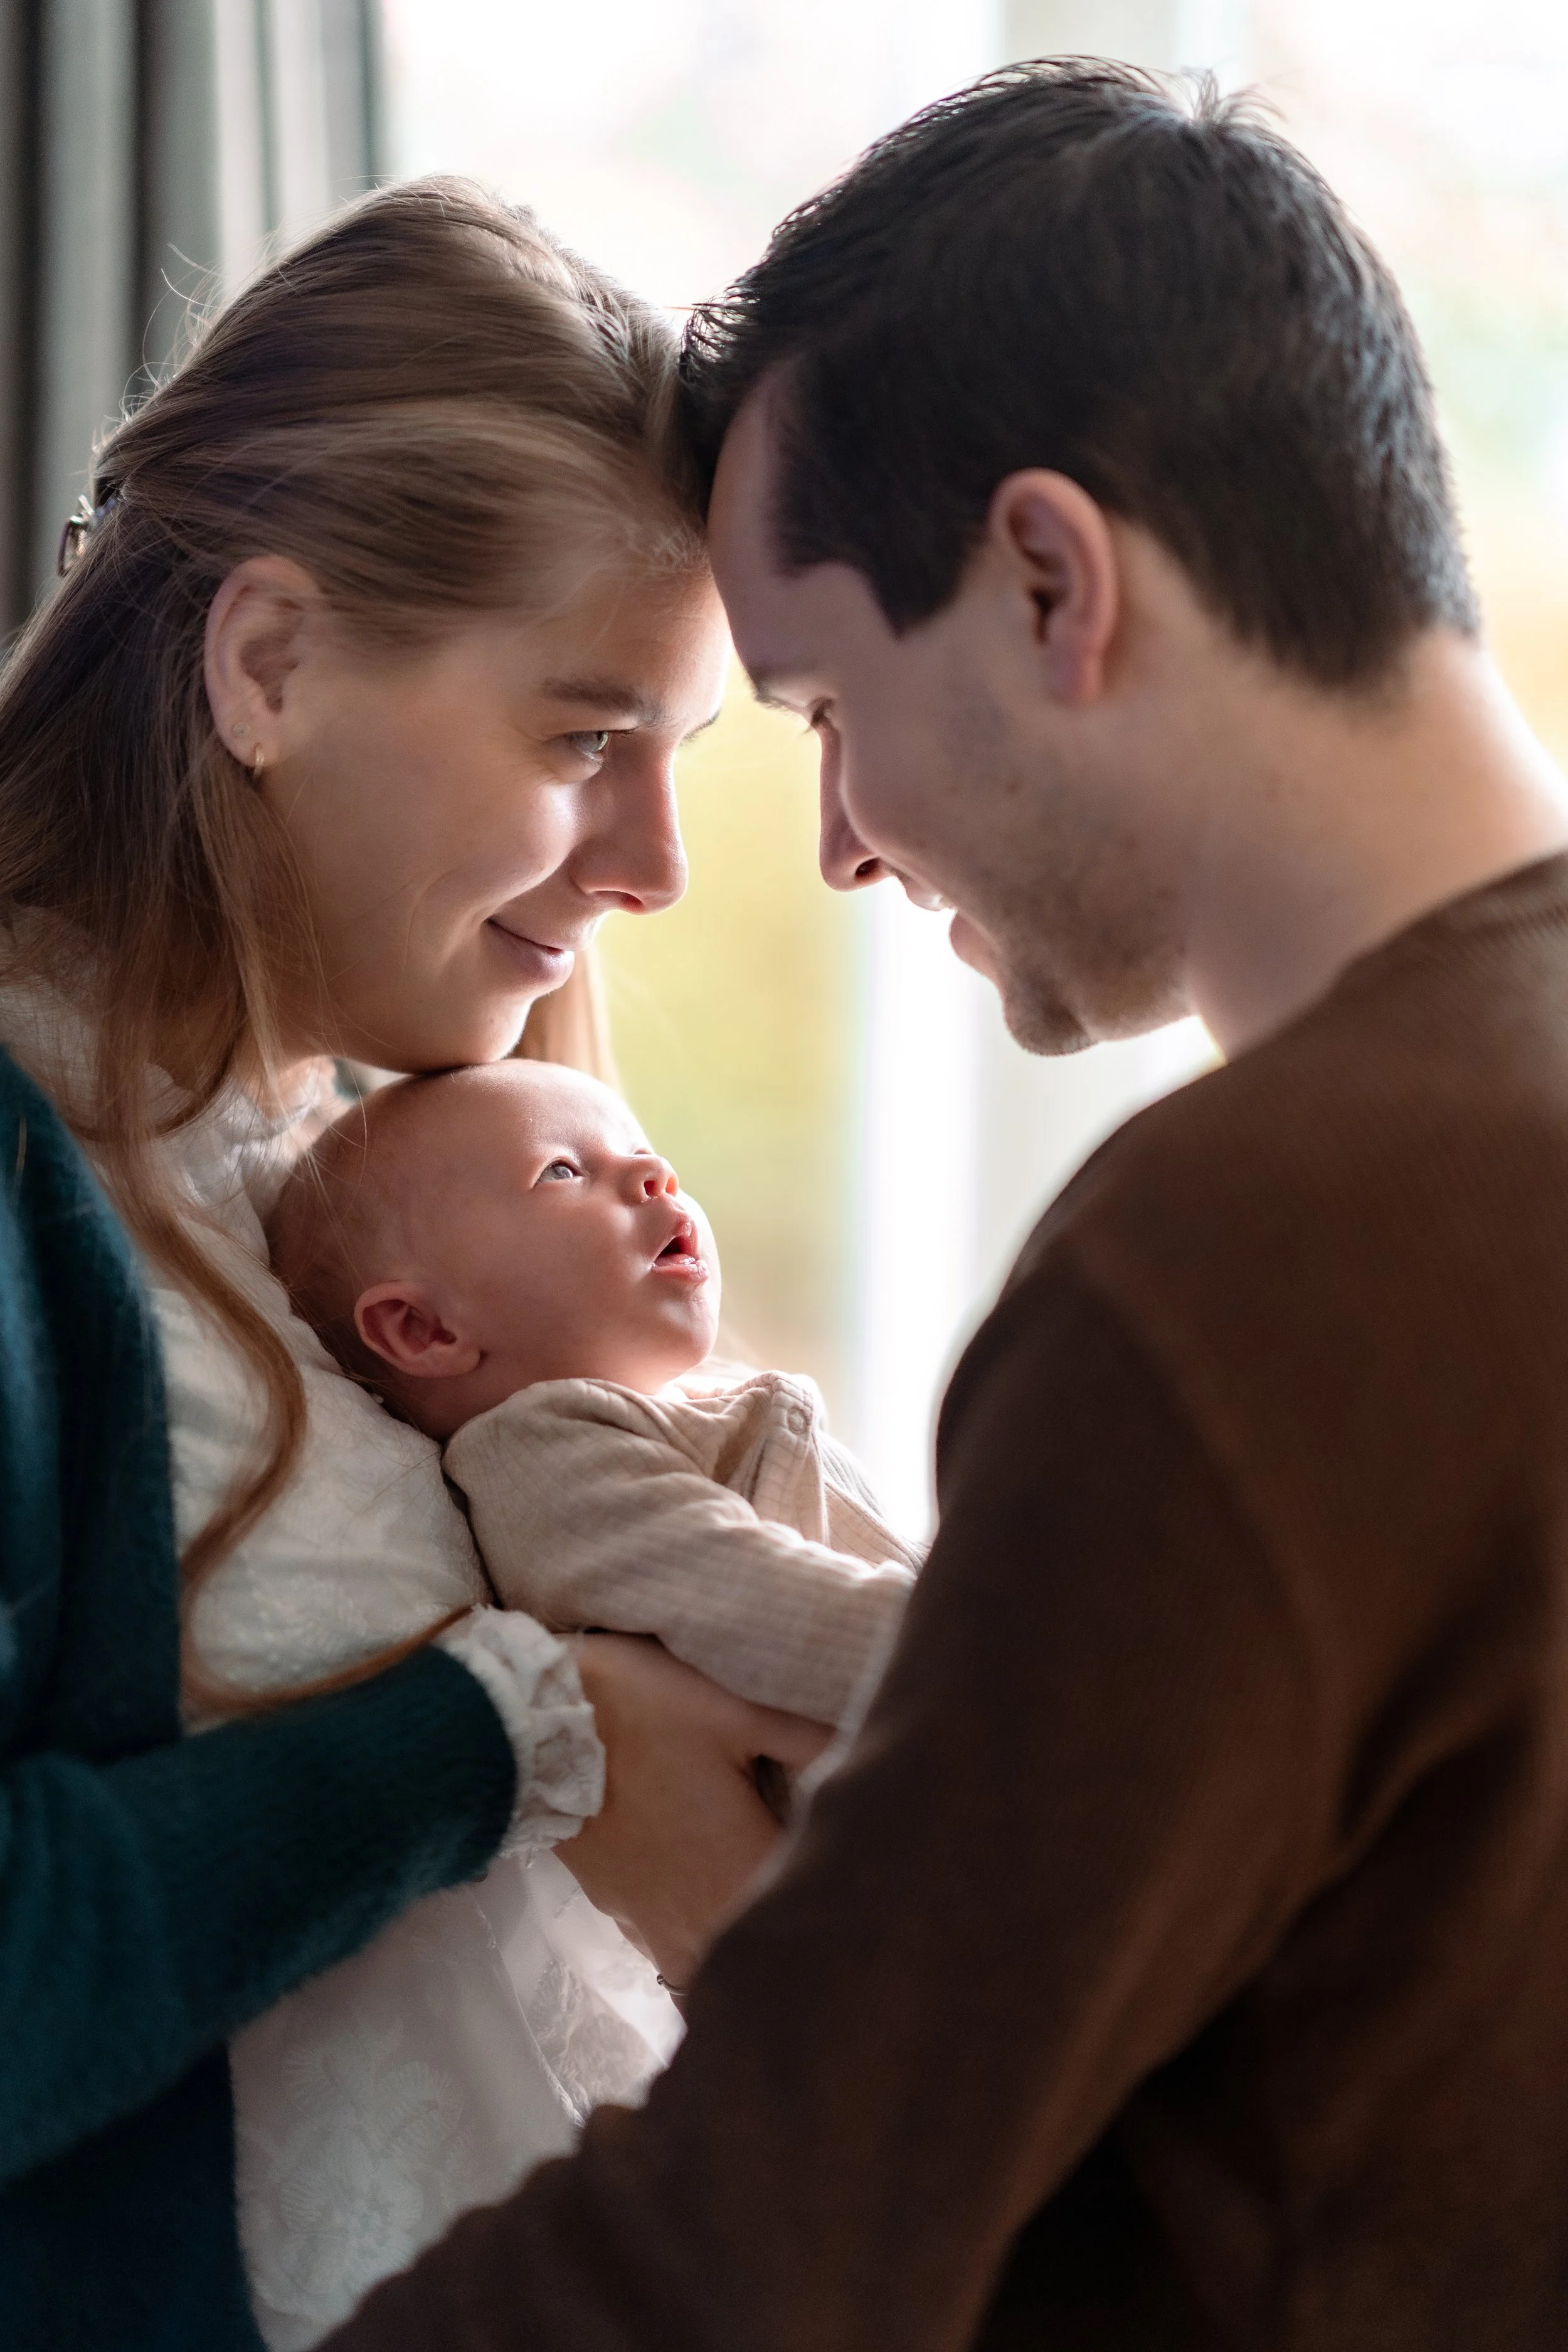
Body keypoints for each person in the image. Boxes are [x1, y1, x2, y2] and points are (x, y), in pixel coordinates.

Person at [326, 61, 1568, 2352]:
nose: (839, 847)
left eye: (815, 705)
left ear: (1044, 580)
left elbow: (755, 2254)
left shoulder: (1252, 1270)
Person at [0, 179, 817, 2352]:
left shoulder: (340, 1190)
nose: (651, 866)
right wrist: (496, 1749)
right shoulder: (24, 1185)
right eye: (583, 743)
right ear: (267, 661)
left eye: (679, 762)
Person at [260, 1054, 913, 2164]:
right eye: (565, 1171)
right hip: (899, 1860)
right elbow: (751, 1601)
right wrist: (1012, 1648)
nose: (653, 1174)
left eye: (640, 1149)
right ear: (422, 1331)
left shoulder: (673, 1417)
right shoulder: (544, 1455)